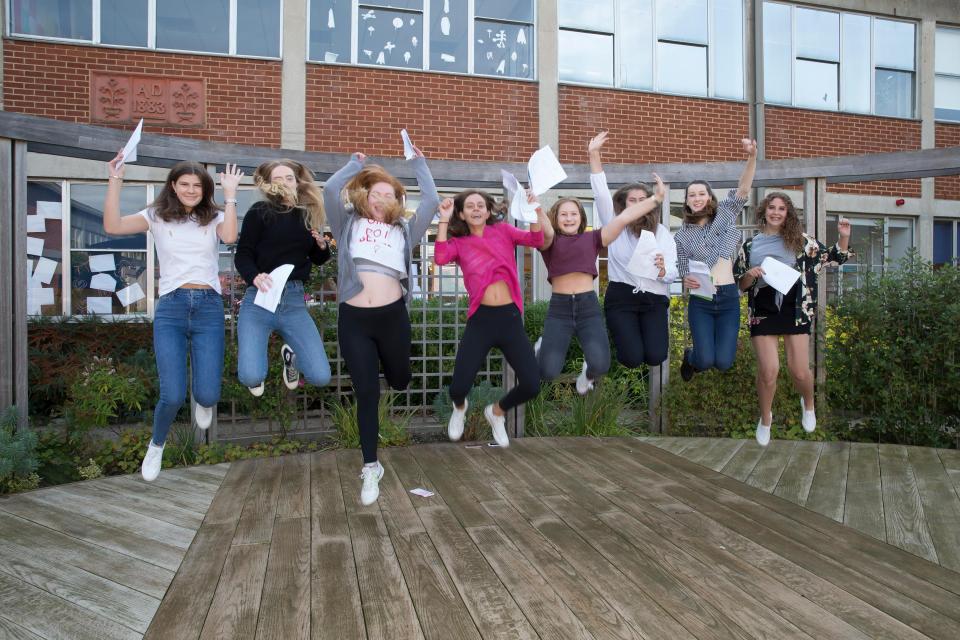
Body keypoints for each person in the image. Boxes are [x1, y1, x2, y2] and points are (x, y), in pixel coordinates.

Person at [103, 155, 240, 482]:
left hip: (207, 307)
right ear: (173, 187)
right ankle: (157, 443)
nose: (191, 190)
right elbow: (112, 226)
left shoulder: (214, 216)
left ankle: (204, 402)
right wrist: (115, 180)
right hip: (172, 308)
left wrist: (230, 195)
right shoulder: (156, 216)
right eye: (184, 184)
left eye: (197, 185)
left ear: (205, 189)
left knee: (207, 395)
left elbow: (231, 237)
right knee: (173, 394)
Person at [324, 148, 439, 506]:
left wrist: (418, 164)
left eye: (389, 195)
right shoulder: (347, 224)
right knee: (367, 394)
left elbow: (432, 201)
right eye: (376, 194)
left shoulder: (405, 230)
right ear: (365, 197)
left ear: (395, 202)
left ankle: (395, 375)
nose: (382, 200)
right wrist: (354, 165)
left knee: (401, 380)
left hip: (392, 317)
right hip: (355, 320)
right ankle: (371, 466)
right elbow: (329, 190)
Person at [734, 192, 851, 445]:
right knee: (768, 371)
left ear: (788, 214)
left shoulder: (802, 242)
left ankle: (808, 404)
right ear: (764, 211)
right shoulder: (749, 246)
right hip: (763, 309)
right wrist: (751, 275)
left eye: (782, 209)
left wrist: (843, 237)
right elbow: (740, 285)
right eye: (772, 207)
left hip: (796, 307)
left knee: (799, 372)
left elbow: (835, 257)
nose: (776, 212)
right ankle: (766, 418)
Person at [435, 189, 546, 447]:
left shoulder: (504, 231)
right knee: (458, 388)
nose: (476, 209)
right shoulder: (460, 243)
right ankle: (459, 408)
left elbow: (536, 239)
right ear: (461, 213)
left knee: (531, 384)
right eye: (470, 206)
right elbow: (440, 257)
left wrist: (534, 211)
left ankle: (496, 412)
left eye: (481, 205)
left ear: (488, 211)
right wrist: (443, 218)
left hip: (509, 318)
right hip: (481, 320)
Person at [235, 160, 332, 400]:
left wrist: (321, 246)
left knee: (321, 377)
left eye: (289, 178)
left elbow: (317, 258)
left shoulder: (307, 215)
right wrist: (254, 276)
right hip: (259, 300)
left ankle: (292, 356)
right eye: (277, 179)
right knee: (250, 376)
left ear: (297, 182)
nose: (284, 183)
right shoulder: (260, 212)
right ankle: (255, 373)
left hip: (293, 301)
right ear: (269, 185)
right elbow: (243, 254)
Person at [588, 131, 678, 377]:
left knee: (656, 356)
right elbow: (600, 192)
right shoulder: (614, 223)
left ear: (650, 203)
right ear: (624, 205)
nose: (638, 203)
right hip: (622, 297)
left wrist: (662, 269)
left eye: (642, 199)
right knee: (631, 358)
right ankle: (595, 354)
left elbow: (672, 273)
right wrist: (594, 154)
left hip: (654, 299)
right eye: (632, 200)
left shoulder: (661, 233)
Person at [675, 138, 758, 380]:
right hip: (701, 300)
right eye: (692, 195)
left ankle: (696, 357)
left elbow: (743, 191)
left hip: (728, 297)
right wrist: (686, 278)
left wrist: (751, 157)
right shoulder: (681, 235)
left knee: (722, 362)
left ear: (709, 197)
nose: (697, 198)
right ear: (687, 201)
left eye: (702, 193)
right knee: (705, 359)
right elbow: (682, 267)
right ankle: (691, 357)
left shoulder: (724, 216)